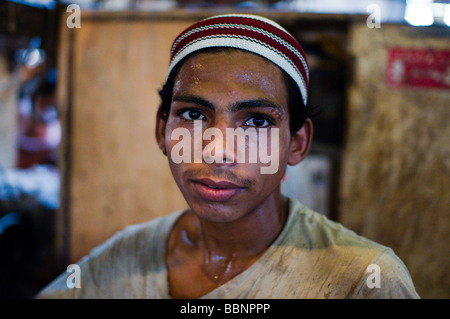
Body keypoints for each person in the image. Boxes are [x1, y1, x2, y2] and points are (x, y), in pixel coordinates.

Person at [37, 14, 419, 299]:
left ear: (297, 144)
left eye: (256, 120)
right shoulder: (122, 262)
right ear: (161, 131)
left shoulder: (363, 279)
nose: (218, 150)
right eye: (193, 114)